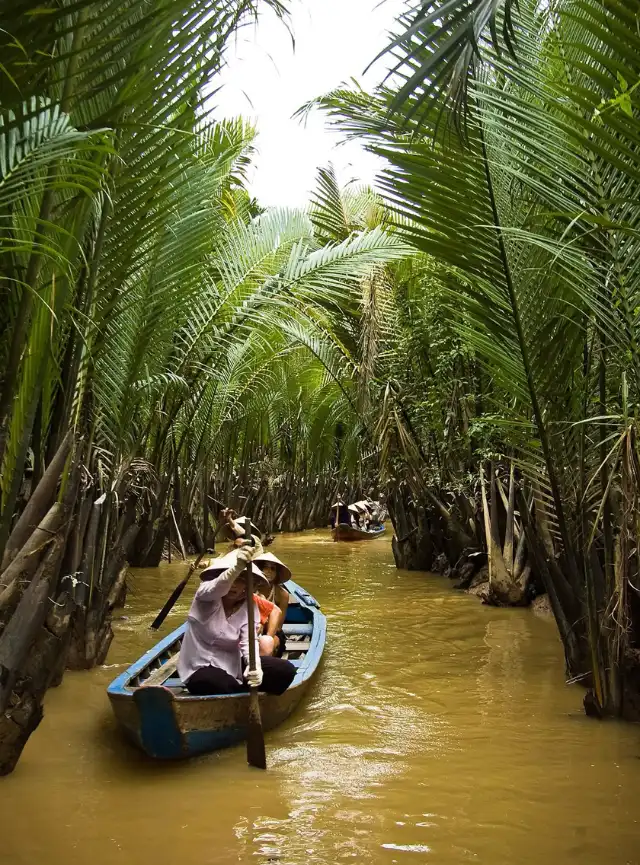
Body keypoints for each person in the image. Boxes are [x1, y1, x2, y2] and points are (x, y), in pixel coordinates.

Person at [177, 545, 296, 696]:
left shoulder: (250, 606)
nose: (234, 585)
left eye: (241, 580)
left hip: (233, 666)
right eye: (232, 578)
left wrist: (255, 666)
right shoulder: (205, 596)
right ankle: (241, 693)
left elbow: (249, 642)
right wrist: (235, 569)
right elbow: (217, 587)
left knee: (285, 671)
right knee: (215, 682)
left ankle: (242, 690)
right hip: (199, 667)